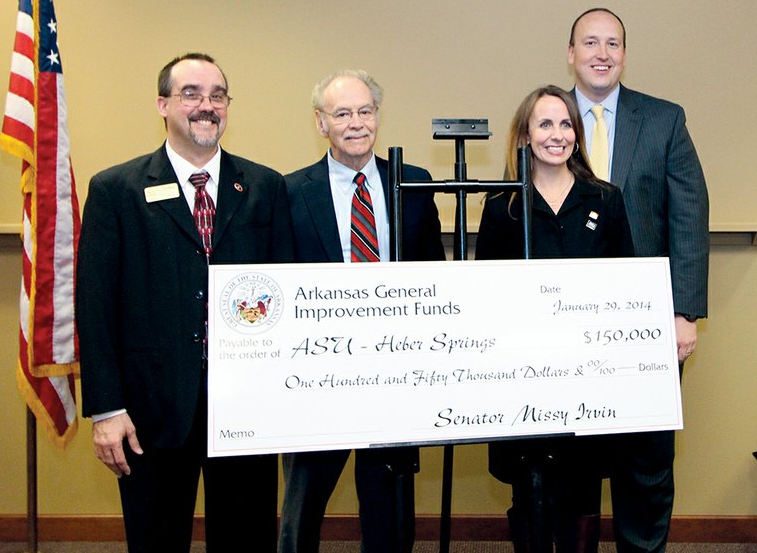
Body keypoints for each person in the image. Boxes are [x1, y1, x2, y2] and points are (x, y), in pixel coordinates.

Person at [75, 53, 294, 553]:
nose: (206, 106)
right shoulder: (116, 190)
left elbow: (285, 297)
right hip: (150, 409)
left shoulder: (264, 187)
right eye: (191, 94)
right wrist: (106, 407)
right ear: (162, 104)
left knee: (246, 541)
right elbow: (96, 306)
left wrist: (284, 394)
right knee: (156, 541)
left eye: (218, 96)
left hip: (245, 406)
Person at [278, 69, 445, 553]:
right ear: (320, 122)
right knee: (302, 507)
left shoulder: (413, 183)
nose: (356, 123)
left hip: (394, 372)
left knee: (389, 510)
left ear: (378, 117)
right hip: (316, 375)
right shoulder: (288, 192)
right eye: (342, 113)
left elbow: (432, 274)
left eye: (365, 111)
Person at [567, 7, 709, 553]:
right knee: (574, 459)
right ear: (571, 52)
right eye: (591, 42)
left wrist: (684, 312)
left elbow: (690, 214)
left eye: (613, 43)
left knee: (644, 460)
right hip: (567, 327)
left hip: (649, 323)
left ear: (624, 54)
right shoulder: (550, 118)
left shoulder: (664, 119)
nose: (602, 53)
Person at [476, 85, 634, 553]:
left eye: (566, 124)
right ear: (525, 136)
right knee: (528, 487)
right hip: (522, 377)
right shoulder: (502, 205)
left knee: (583, 487)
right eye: (545, 124)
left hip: (589, 376)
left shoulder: (605, 200)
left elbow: (625, 285)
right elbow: (484, 296)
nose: (557, 134)